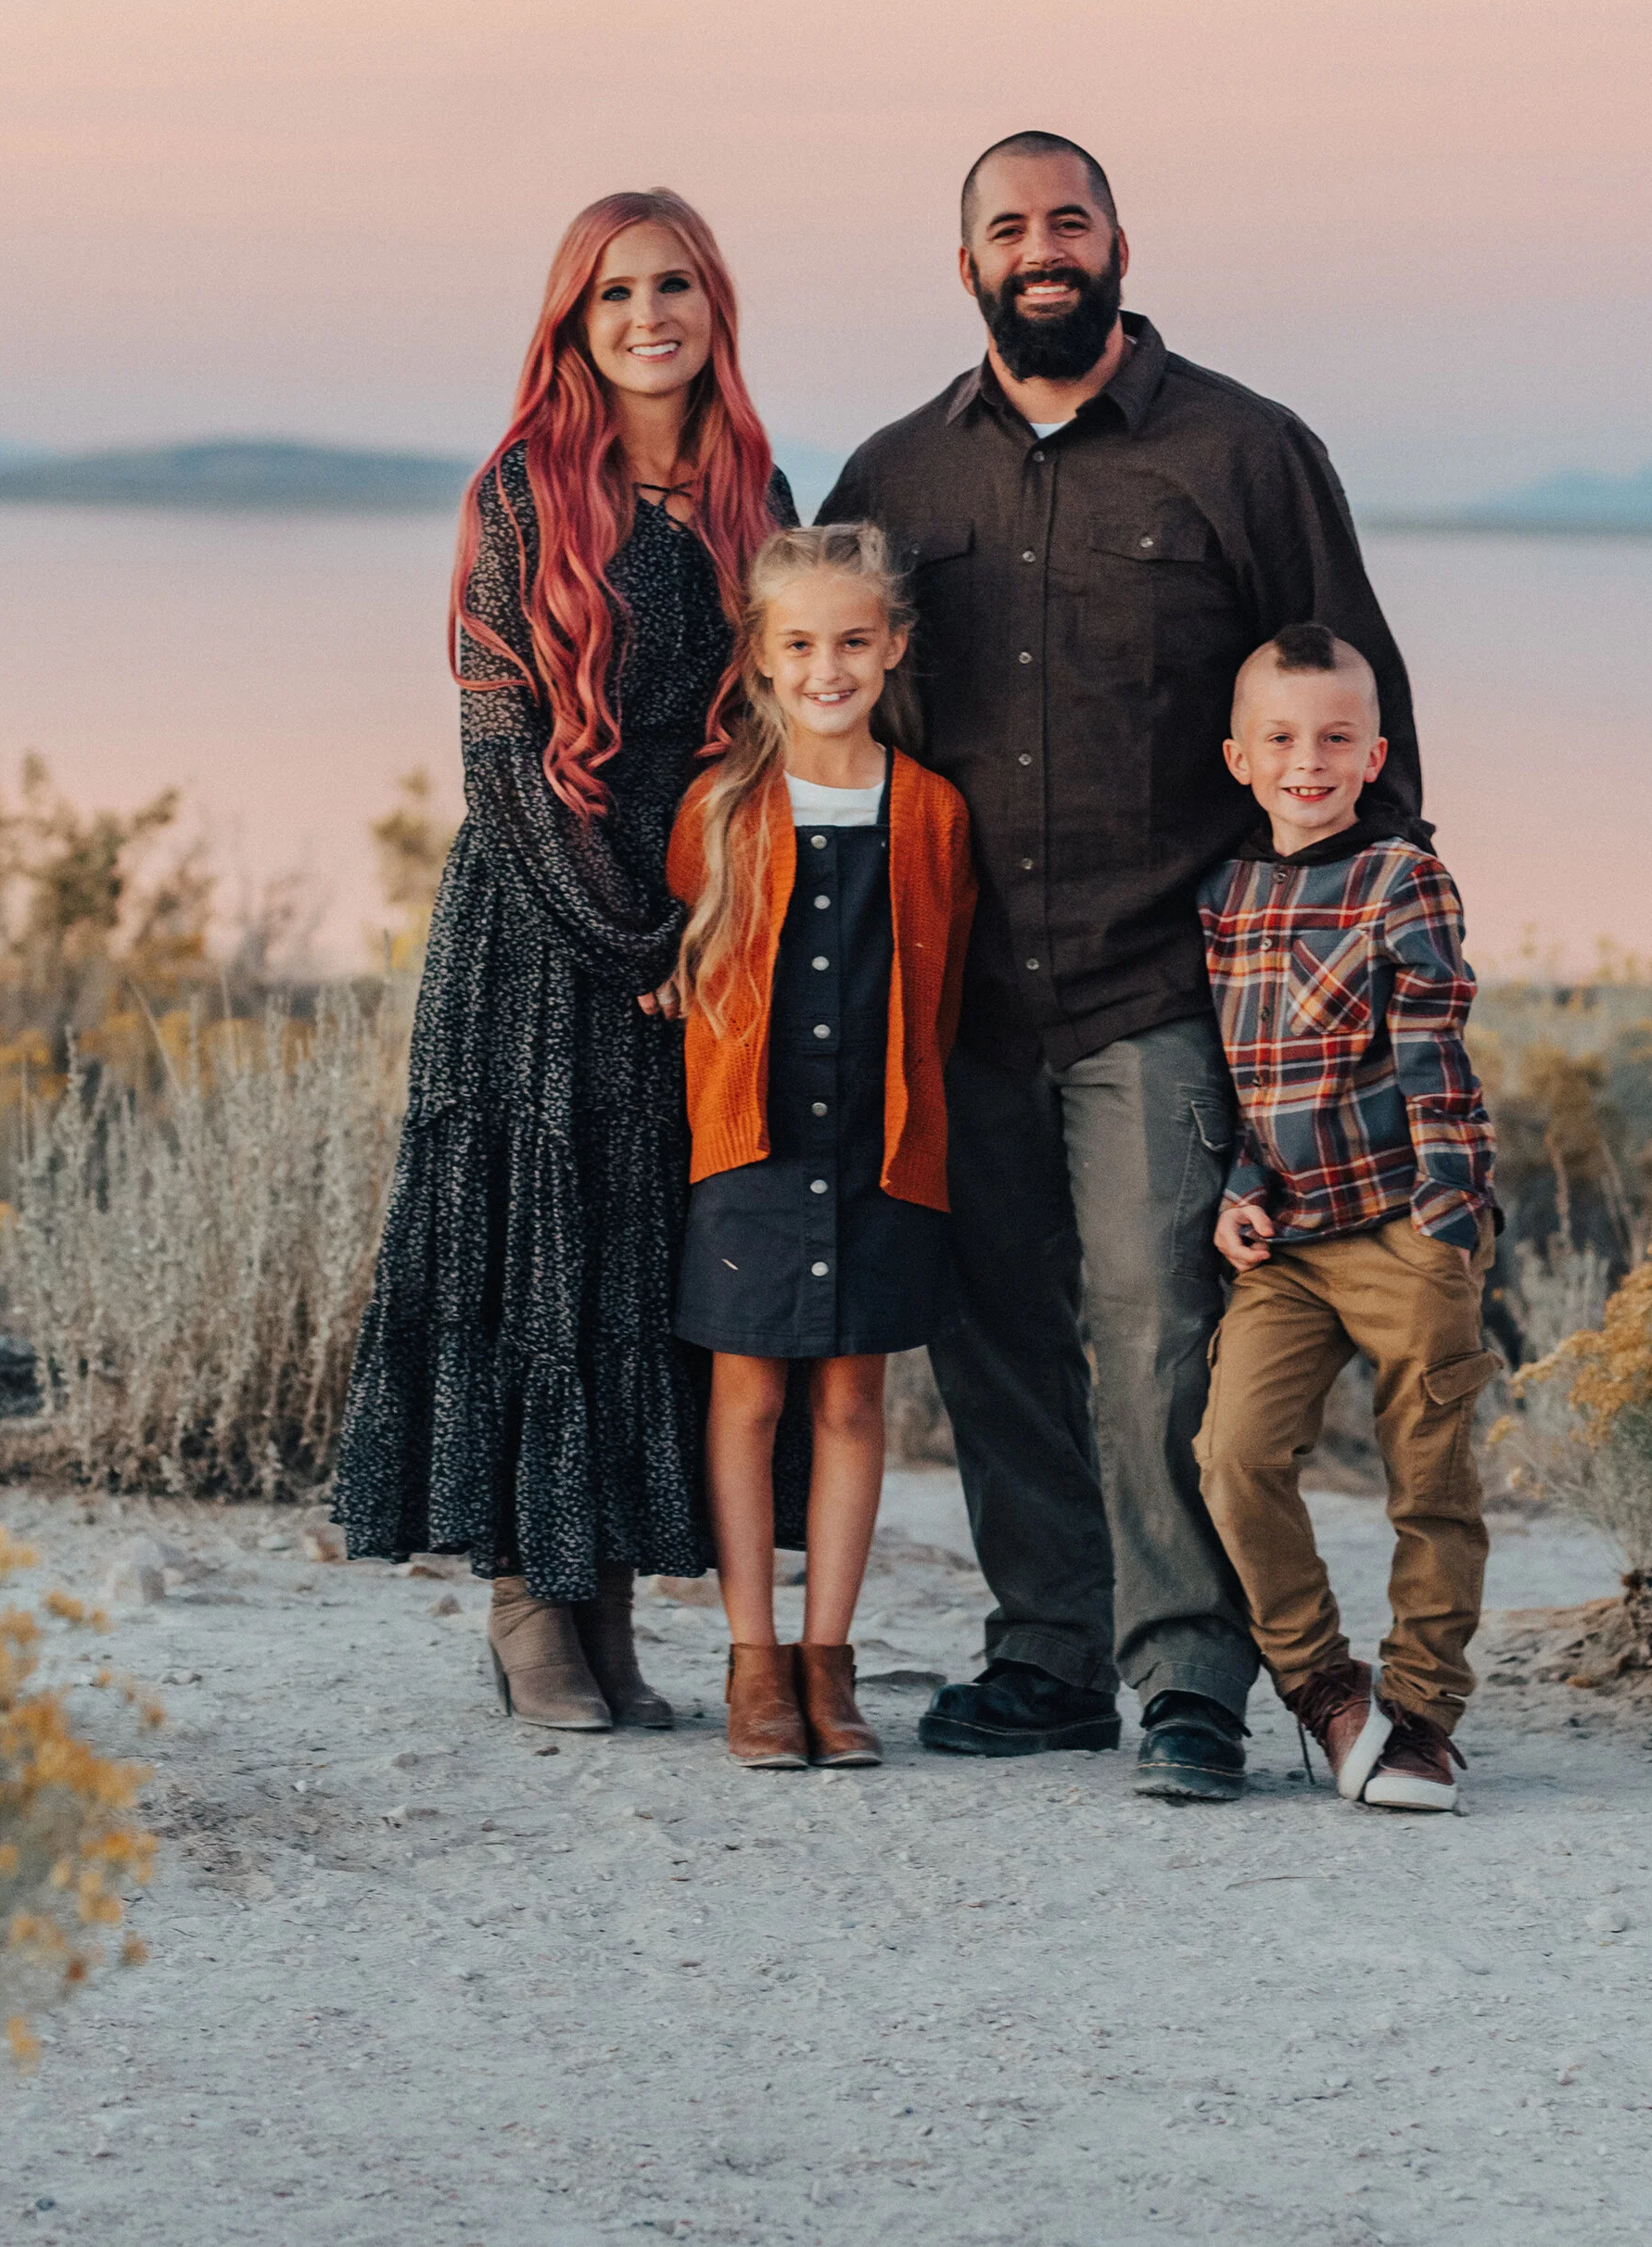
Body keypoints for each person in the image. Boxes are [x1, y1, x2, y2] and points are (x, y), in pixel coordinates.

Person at [821, 130, 1425, 1802]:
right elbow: (818, 714)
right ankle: (1046, 1657)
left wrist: (1370, 956)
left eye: (1067, 219)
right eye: (1007, 227)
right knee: (995, 1329)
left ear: (1119, 245)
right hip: (959, 993)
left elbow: (1365, 718)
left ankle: (1187, 1684)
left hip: (1169, 986)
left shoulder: (1246, 453)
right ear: (966, 268)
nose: (1041, 248)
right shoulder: (891, 476)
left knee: (1163, 1331)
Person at [334, 188, 792, 1731]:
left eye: (672, 286)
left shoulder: (757, 490)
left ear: (714, 305)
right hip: (543, 926)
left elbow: (781, 721)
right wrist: (625, 936)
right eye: (613, 295)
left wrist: (719, 920)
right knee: (533, 1245)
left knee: (639, 1256)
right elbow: (500, 748)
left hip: (700, 920)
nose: (648, 314)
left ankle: (606, 1612)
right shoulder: (525, 487)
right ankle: (529, 1609)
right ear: (573, 326)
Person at [667, 524, 977, 1771]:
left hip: (881, 1143)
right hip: (748, 1144)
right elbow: (698, 975)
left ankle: (828, 1661)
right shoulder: (723, 805)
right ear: (761, 656)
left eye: (854, 639)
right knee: (745, 1398)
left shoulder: (934, 810)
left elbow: (942, 992)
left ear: (894, 645)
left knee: (854, 1400)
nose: (828, 665)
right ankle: (753, 1659)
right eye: (800, 643)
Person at [1193, 622, 1497, 1811]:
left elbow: (1436, 1047)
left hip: (1401, 1225)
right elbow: (1230, 1073)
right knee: (1235, 1458)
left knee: (1429, 1477)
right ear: (1238, 756)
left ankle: (1420, 1715)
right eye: (1281, 737)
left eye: (1334, 737)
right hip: (1287, 1247)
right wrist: (1234, 1190)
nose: (1306, 759)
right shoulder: (1224, 893)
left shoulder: (1403, 878)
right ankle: (1324, 1686)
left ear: (1376, 754)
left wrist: (1450, 1216)